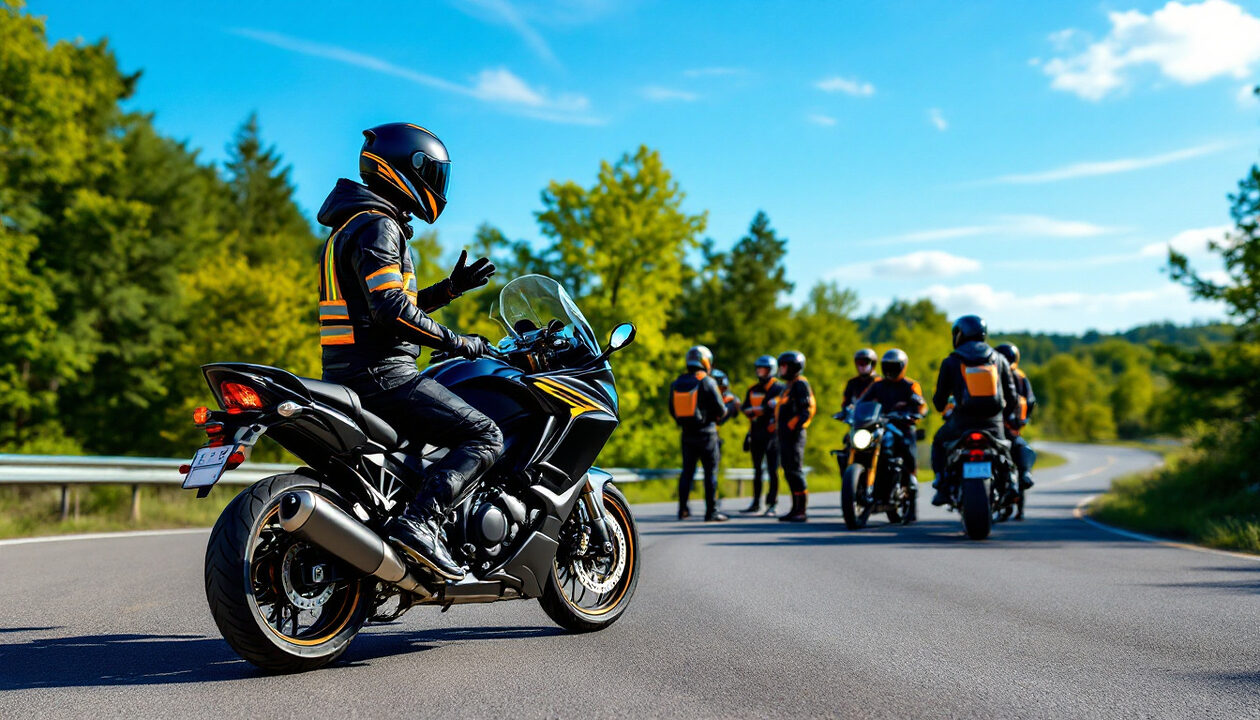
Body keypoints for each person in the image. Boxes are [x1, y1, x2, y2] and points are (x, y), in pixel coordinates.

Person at [317, 122, 501, 581]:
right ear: (409, 168)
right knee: (485, 435)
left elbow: (382, 305)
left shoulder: (354, 224)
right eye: (434, 174)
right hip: (384, 376)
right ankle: (421, 523)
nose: (438, 186)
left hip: (350, 375)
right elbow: (390, 310)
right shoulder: (379, 226)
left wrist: (449, 289)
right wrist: (459, 342)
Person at [929, 315, 1020, 507]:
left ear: (959, 334)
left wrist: (942, 407)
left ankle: (941, 485)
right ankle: (1012, 481)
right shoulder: (999, 359)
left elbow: (939, 401)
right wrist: (1002, 417)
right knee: (1006, 449)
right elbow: (1012, 396)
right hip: (993, 423)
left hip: (961, 423)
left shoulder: (951, 361)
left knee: (938, 442)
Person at [669, 346, 730, 522]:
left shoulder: (677, 382)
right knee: (710, 473)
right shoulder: (707, 381)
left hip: (687, 434)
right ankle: (712, 512)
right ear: (705, 361)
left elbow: (672, 410)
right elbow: (721, 410)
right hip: (707, 435)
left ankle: (683, 510)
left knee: (687, 472)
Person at [855, 349, 927, 487]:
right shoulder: (877, 385)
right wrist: (853, 411)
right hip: (880, 423)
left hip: (903, 424)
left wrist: (914, 414)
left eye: (894, 367)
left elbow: (922, 406)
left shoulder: (911, 385)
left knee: (907, 445)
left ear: (903, 367)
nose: (890, 370)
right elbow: (862, 401)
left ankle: (912, 477)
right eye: (888, 366)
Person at [739, 355, 784, 516]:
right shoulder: (753, 389)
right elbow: (745, 407)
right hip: (756, 433)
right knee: (757, 470)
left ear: (771, 370)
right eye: (758, 368)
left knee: (773, 470)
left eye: (763, 369)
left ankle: (772, 503)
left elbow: (777, 408)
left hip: (773, 435)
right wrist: (756, 411)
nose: (759, 371)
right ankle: (756, 503)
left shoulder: (779, 389)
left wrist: (761, 410)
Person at [996, 342, 1037, 513]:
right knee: (1022, 448)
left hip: (998, 425)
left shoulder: (993, 373)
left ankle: (1024, 475)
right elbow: (1030, 400)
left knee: (1021, 449)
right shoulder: (1019, 376)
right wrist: (1023, 419)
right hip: (1007, 426)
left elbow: (1029, 401)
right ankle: (1025, 474)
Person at [775, 350, 816, 522]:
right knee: (788, 471)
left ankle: (801, 510)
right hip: (785, 436)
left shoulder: (800, 384)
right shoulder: (788, 386)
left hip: (795, 436)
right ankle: (794, 508)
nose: (781, 369)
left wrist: (791, 426)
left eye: (784, 366)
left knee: (795, 471)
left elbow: (805, 411)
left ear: (793, 367)